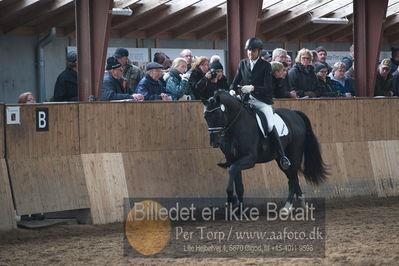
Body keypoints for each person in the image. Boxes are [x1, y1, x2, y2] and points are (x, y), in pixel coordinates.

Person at [230, 37, 291, 170]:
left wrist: (253, 88)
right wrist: (232, 91)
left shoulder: (265, 66)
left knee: (269, 125)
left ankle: (282, 156)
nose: (250, 53)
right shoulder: (243, 63)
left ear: (259, 51)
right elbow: (235, 82)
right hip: (245, 100)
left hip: (261, 101)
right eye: (249, 50)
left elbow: (268, 88)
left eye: (253, 50)